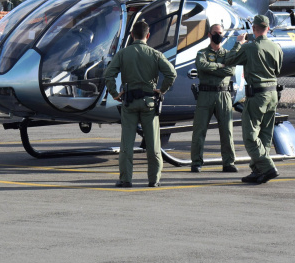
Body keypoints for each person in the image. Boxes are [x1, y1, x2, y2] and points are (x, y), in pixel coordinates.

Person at [103, 20, 177, 188]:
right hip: (149, 102)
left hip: (129, 102)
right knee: (153, 143)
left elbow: (109, 75)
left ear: (132, 35)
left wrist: (115, 93)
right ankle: (154, 179)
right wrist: (162, 90)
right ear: (148, 35)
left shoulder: (123, 54)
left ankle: (126, 179)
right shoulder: (155, 54)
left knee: (127, 144)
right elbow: (171, 73)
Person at [223, 14, 283, 184]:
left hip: (257, 94)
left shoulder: (250, 47)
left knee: (250, 135)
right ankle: (258, 170)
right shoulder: (276, 47)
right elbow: (278, 70)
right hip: (272, 93)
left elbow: (229, 60)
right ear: (268, 28)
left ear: (254, 29)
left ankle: (267, 166)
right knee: (264, 134)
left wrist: (238, 44)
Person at [189, 24, 238, 173]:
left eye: (220, 33)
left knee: (227, 130)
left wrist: (214, 67)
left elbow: (230, 69)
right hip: (205, 95)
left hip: (223, 94)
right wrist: (220, 66)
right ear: (209, 34)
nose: (218, 35)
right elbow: (201, 66)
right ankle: (196, 162)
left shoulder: (228, 54)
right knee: (199, 130)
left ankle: (228, 162)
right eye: (215, 33)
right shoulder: (201, 53)